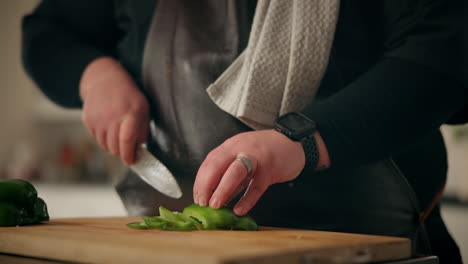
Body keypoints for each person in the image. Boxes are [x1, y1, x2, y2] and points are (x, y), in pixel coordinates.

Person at [22, 0, 466, 263]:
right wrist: (94, 75)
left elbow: (446, 51)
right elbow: (48, 31)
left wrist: (303, 140)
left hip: (371, 246)